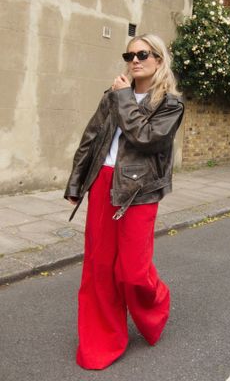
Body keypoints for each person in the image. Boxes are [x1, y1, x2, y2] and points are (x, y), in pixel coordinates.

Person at [64, 33, 184, 370]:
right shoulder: (113, 96)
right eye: (129, 55)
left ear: (158, 59)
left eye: (142, 54)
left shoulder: (170, 104)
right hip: (103, 183)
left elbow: (145, 139)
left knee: (132, 272)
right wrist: (77, 182)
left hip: (140, 192)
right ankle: (100, 342)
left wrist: (124, 98)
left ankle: (157, 302)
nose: (134, 61)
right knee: (99, 269)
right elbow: (91, 139)